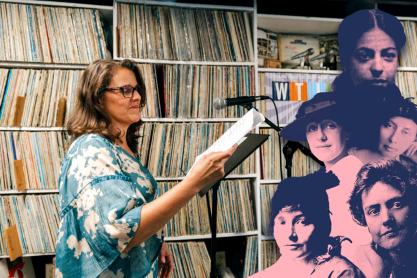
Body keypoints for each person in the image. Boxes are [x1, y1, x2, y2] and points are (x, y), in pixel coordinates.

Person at [54, 59, 236, 277]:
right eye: (125, 90)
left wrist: (154, 237)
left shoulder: (121, 146)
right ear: (98, 98)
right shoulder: (92, 149)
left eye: (137, 89)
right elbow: (118, 230)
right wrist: (192, 184)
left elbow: (133, 207)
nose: (138, 97)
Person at [281, 92, 372, 246]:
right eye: (312, 128)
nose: (321, 136)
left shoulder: (359, 178)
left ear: (347, 132)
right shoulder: (319, 180)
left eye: (330, 125)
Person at [251, 177, 363, 277]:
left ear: (322, 224)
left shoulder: (343, 272)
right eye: (282, 223)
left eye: (302, 222)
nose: (290, 235)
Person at [348, 159, 417, 277]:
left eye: (397, 205)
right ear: (364, 219)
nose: (386, 219)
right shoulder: (359, 266)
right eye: (374, 211)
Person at [333, 9, 406, 90]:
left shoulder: (405, 103)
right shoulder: (322, 102)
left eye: (389, 55)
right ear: (345, 60)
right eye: (364, 56)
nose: (377, 68)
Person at [351, 93, 417, 164]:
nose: (393, 139)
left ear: (414, 139)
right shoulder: (347, 158)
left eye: (405, 132)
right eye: (388, 126)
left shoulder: (409, 166)